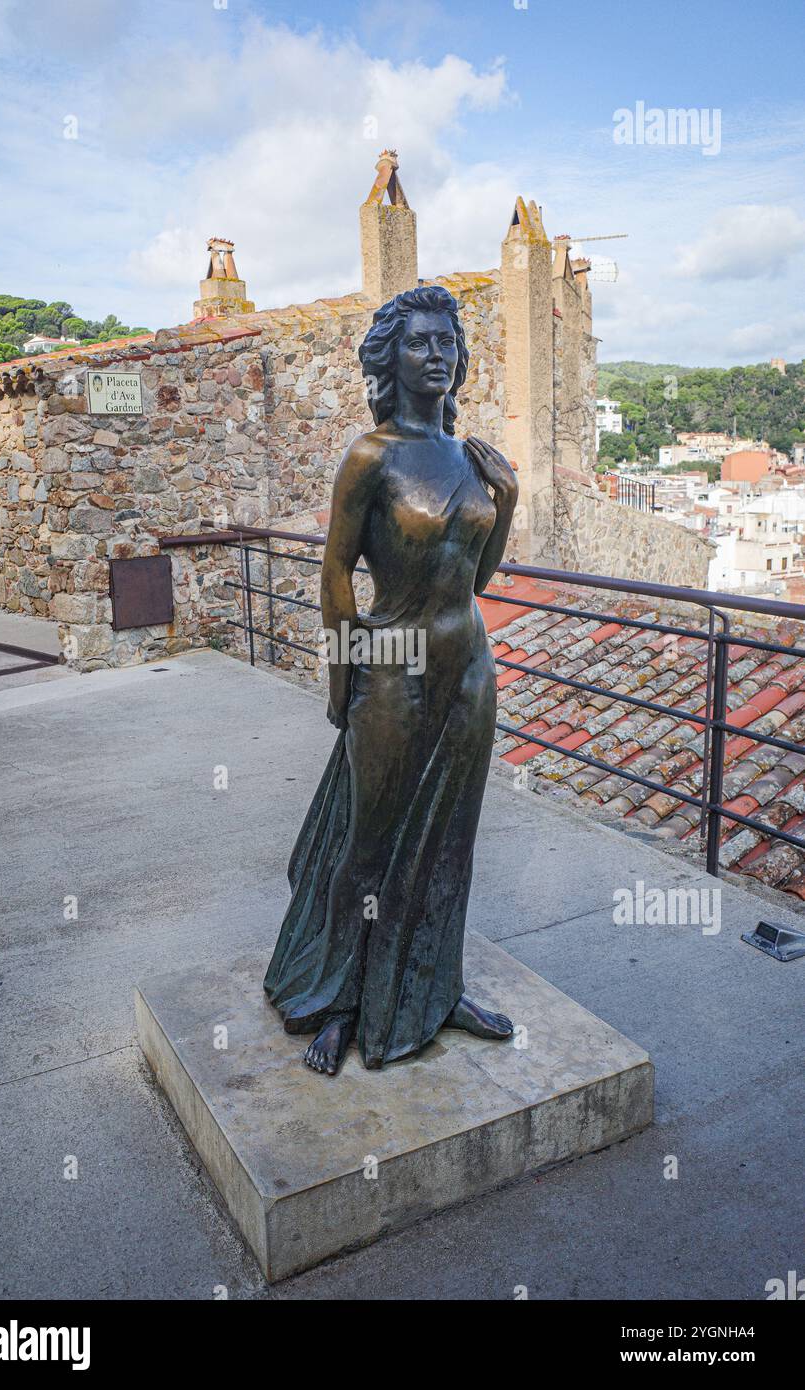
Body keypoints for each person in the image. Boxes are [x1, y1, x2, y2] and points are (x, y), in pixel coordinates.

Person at [264, 285, 518, 1075]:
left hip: (466, 661)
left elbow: (475, 574)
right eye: (419, 343)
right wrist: (343, 683)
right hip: (394, 660)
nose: (436, 353)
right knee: (367, 848)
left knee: (448, 845)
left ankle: (433, 990)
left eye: (447, 342)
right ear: (391, 357)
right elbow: (335, 569)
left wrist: (505, 504)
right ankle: (339, 1000)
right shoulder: (371, 456)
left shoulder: (469, 455)